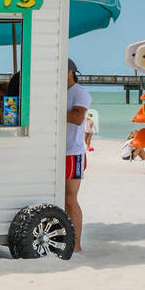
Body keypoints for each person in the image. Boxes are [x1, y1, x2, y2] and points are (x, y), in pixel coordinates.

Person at [64, 59, 91, 252]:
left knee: (70, 199)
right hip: (56, 151)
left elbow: (77, 118)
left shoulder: (80, 92)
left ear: (69, 72)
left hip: (73, 152)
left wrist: (52, 110)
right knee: (58, 198)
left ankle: (76, 246)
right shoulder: (58, 90)